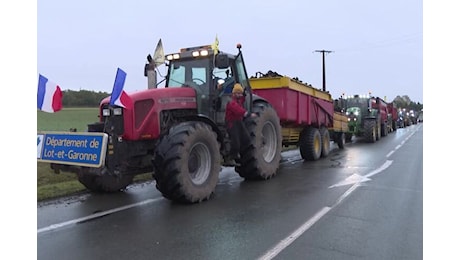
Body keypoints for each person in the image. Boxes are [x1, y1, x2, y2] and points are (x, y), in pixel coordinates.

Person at [224, 83, 256, 166]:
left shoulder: (239, 100)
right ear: (233, 94)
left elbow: (242, 101)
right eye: (237, 93)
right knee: (235, 141)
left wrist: (244, 94)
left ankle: (243, 156)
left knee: (246, 139)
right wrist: (247, 114)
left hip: (238, 121)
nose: (239, 95)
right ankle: (230, 158)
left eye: (240, 93)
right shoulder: (231, 102)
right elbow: (237, 110)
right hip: (232, 122)